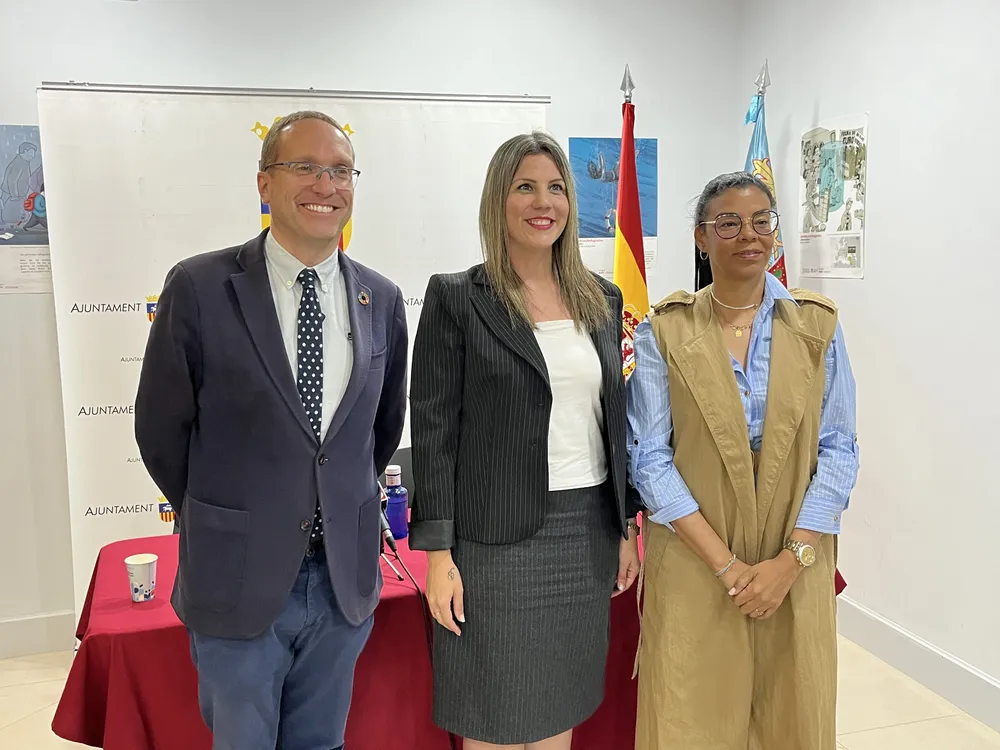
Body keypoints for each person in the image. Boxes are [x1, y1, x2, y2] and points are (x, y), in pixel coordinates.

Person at [135, 110, 408, 750]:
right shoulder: (200, 287)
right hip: (238, 580)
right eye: (304, 167)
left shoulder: (382, 298)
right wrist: (224, 513)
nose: (325, 184)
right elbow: (161, 429)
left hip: (342, 583)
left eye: (341, 170)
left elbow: (380, 429)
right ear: (264, 184)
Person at [408, 131, 641, 750]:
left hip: (585, 536)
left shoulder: (603, 299)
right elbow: (433, 433)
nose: (545, 202)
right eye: (526, 187)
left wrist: (623, 528)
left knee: (559, 709)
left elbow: (613, 423)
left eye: (557, 187)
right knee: (497, 713)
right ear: (499, 200)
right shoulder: (458, 298)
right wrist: (437, 556)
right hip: (495, 545)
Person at [628, 171, 859, 749]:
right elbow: (651, 459)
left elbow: (839, 448)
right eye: (727, 223)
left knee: (794, 715)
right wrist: (728, 567)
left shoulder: (816, 325)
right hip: (695, 559)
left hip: (794, 558)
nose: (748, 235)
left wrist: (792, 559)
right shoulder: (665, 330)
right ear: (702, 238)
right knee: (686, 719)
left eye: (761, 221)